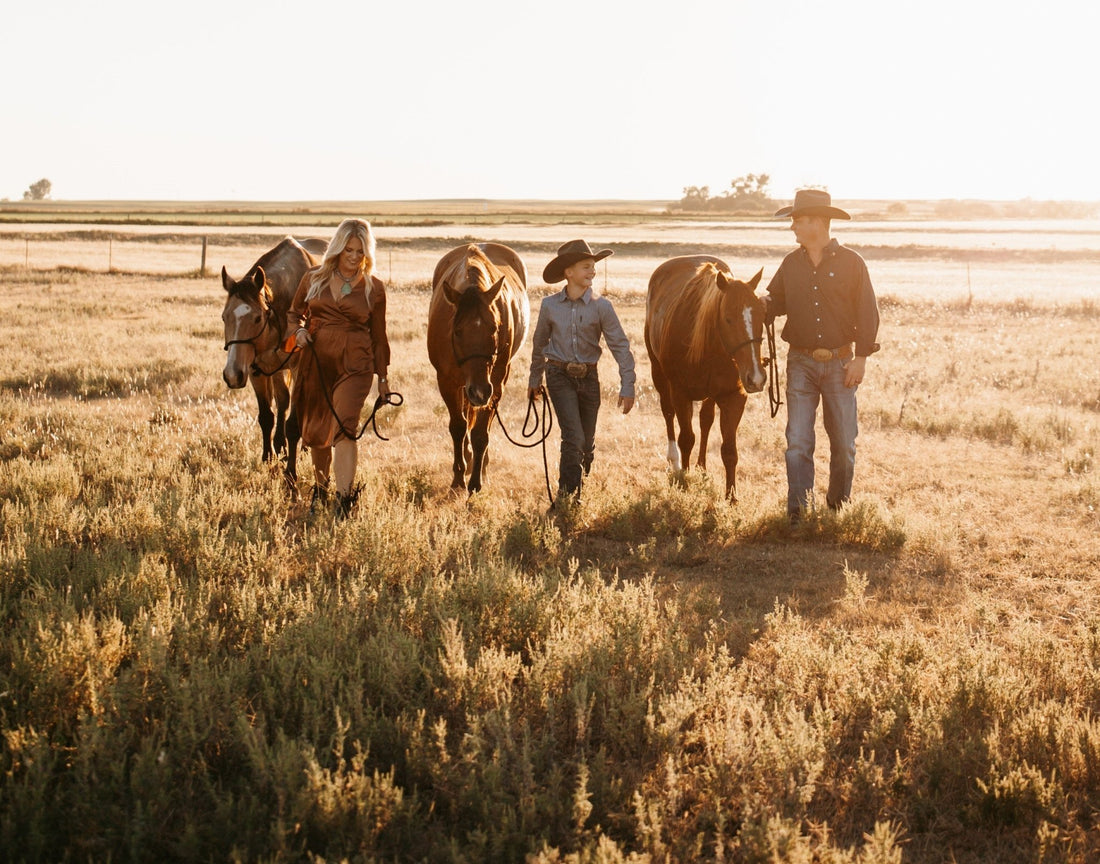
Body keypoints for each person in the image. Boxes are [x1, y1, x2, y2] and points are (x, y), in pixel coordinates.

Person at [764, 189, 880, 525]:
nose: (793, 228)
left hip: (841, 362)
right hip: (799, 362)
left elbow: (867, 312)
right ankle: (799, 511)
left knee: (843, 441)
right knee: (798, 440)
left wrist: (861, 358)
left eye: (798, 221)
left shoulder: (852, 263)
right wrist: (759, 303)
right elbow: (776, 302)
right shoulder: (790, 263)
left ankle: (837, 507)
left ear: (818, 222)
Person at [286, 218, 391, 519]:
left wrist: (382, 378)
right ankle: (320, 489)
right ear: (337, 249)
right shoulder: (313, 278)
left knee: (345, 427)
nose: (355, 257)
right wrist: (299, 334)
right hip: (317, 360)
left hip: (355, 364)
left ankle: (344, 503)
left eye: (361, 251)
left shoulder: (374, 289)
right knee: (317, 429)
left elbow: (379, 337)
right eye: (349, 250)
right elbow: (294, 315)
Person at [528, 239, 636, 506]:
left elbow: (620, 346)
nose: (593, 272)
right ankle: (566, 497)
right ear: (569, 273)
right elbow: (540, 344)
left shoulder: (603, 307)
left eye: (593, 267)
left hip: (589, 377)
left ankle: (581, 481)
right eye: (586, 267)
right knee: (573, 436)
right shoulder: (549, 305)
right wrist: (534, 379)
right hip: (558, 375)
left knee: (586, 442)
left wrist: (628, 385)